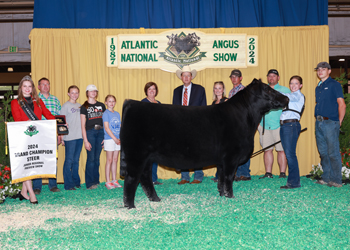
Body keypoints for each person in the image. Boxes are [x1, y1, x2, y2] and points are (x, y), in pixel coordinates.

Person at [11, 75, 56, 204]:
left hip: (37, 137)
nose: (27, 88)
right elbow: (17, 120)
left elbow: (48, 115)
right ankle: (32, 194)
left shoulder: (38, 101)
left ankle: (23, 192)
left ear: (32, 88)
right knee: (27, 164)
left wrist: (60, 123)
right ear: (20, 88)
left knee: (34, 162)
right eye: (24, 86)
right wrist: (28, 122)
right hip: (23, 137)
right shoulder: (15, 102)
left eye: (29, 86)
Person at [173, 65, 207, 184]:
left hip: (196, 125)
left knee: (197, 150)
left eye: (188, 75)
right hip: (181, 126)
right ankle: (185, 177)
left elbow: (204, 108)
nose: (186, 77)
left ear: (191, 77)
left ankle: (198, 176)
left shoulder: (200, 89)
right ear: (181, 77)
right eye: (184, 75)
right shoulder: (176, 91)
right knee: (183, 151)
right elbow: (174, 110)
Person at [314, 62, 346, 187]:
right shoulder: (319, 87)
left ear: (329, 71)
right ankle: (326, 177)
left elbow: (342, 104)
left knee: (333, 152)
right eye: (318, 69)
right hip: (319, 122)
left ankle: (337, 180)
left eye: (323, 69)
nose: (320, 71)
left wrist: (338, 122)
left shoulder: (334, 85)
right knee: (323, 152)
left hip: (330, 122)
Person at [258, 69, 291, 179]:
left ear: (278, 77)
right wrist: (258, 124)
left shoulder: (285, 90)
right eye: (269, 76)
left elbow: (290, 108)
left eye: (274, 76)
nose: (271, 78)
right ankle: (268, 173)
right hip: (264, 125)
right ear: (267, 77)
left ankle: (282, 173)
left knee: (281, 150)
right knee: (267, 150)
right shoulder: (262, 90)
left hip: (280, 125)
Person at [33, 77, 61, 194]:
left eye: (47, 84)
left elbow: (59, 118)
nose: (45, 86)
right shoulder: (34, 100)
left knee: (52, 158)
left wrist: (60, 134)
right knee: (37, 158)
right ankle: (37, 186)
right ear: (38, 87)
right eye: (43, 84)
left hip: (52, 133)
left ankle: (52, 184)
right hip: (38, 133)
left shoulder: (55, 100)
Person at [279, 76, 305, 189]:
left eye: (296, 83)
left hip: (291, 125)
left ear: (300, 85)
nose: (293, 86)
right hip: (285, 125)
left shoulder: (298, 95)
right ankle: (294, 181)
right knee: (288, 154)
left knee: (290, 155)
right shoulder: (290, 96)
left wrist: (272, 92)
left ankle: (294, 182)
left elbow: (286, 96)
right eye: (291, 83)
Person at [227, 69, 251, 182]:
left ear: (240, 78)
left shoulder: (245, 90)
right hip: (234, 123)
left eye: (236, 76)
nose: (234, 78)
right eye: (232, 77)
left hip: (243, 122)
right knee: (235, 148)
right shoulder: (231, 92)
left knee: (244, 147)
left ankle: (245, 173)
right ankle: (236, 172)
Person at [80, 85, 106, 190]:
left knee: (97, 158)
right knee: (90, 158)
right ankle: (90, 183)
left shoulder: (101, 105)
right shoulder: (84, 107)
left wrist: (106, 136)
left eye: (95, 91)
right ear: (87, 93)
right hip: (90, 132)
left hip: (100, 132)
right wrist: (86, 141)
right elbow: (83, 125)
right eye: (91, 91)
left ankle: (96, 180)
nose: (93, 92)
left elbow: (105, 122)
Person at [60, 85, 83, 190]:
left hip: (79, 136)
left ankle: (76, 181)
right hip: (70, 137)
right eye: (72, 92)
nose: (74, 95)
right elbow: (61, 123)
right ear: (68, 94)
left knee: (76, 160)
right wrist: (62, 137)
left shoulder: (80, 106)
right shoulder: (65, 106)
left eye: (76, 92)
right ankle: (68, 184)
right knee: (69, 160)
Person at [141, 82, 162, 185]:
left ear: (156, 91)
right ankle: (145, 179)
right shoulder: (143, 103)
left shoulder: (159, 104)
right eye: (149, 89)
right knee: (146, 158)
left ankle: (153, 179)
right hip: (146, 135)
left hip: (157, 135)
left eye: (154, 89)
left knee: (155, 157)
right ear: (146, 91)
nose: (152, 91)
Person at [102, 95, 122, 189]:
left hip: (117, 139)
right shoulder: (106, 114)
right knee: (109, 160)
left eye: (113, 101)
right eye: (109, 101)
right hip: (110, 139)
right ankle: (108, 181)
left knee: (115, 160)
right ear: (106, 102)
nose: (111, 103)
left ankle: (114, 180)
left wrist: (120, 138)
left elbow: (120, 127)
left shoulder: (117, 114)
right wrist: (114, 138)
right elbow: (106, 128)